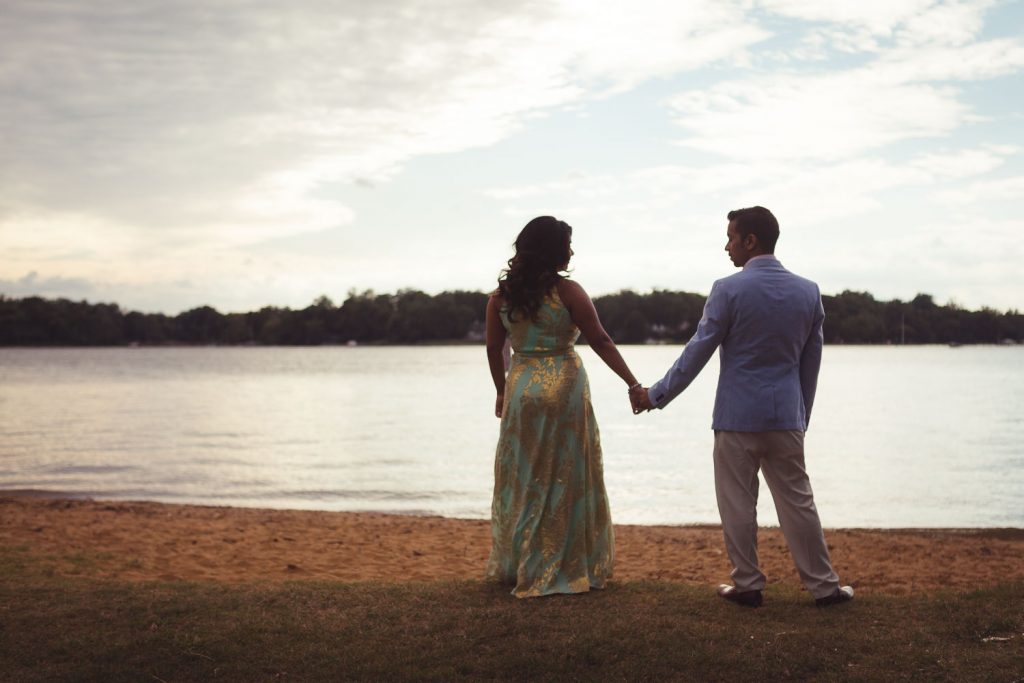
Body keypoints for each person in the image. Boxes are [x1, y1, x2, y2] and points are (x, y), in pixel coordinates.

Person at [631, 206, 854, 607]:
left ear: (751, 241)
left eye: (732, 237)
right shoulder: (808, 291)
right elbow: (811, 363)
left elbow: (697, 352)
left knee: (737, 502)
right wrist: (801, 415)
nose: (727, 245)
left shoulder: (727, 289)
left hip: (736, 417)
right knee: (798, 502)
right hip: (786, 415)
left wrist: (655, 395)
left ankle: (748, 584)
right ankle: (824, 587)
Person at [485, 215, 641, 598]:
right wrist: (633, 383)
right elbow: (600, 340)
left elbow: (494, 348)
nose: (572, 250)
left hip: (522, 386)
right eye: (568, 244)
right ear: (554, 250)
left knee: (524, 476)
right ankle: (561, 562)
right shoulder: (568, 291)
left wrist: (502, 390)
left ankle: (520, 561)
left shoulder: (500, 297)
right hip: (564, 386)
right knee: (565, 475)